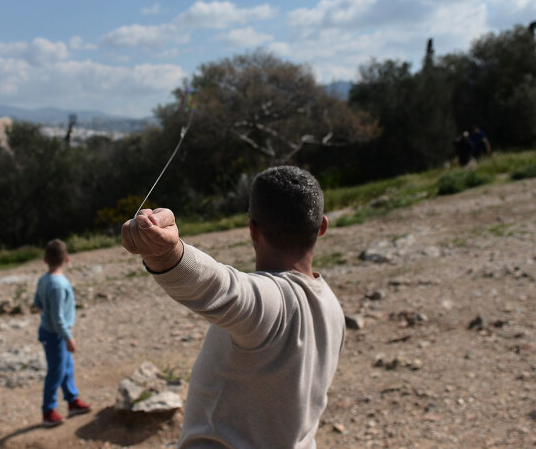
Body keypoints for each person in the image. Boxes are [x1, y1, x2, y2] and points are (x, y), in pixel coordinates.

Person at [122, 166, 345, 448]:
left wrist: (166, 254)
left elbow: (219, 287)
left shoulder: (272, 301)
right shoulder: (332, 307)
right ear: (322, 226)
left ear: (252, 229)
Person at [33, 239, 91, 426]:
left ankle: (72, 402)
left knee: (66, 368)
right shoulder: (58, 285)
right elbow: (58, 317)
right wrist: (68, 338)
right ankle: (48, 411)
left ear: (45, 260)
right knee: (56, 372)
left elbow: (37, 304)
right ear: (67, 259)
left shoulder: (44, 279)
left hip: (51, 331)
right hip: (55, 335)